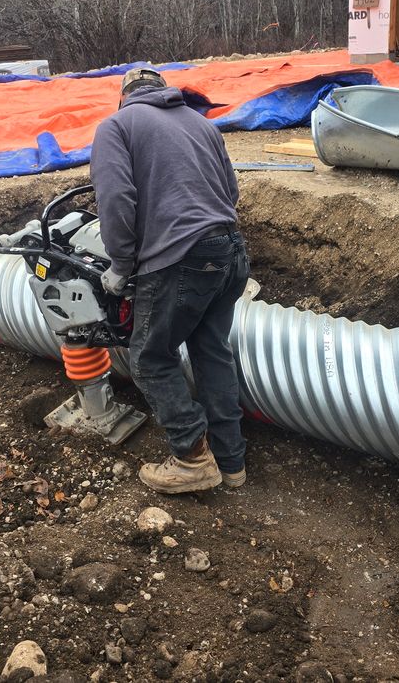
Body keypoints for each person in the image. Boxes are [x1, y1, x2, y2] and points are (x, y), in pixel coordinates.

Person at [90, 66, 249, 494]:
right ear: (165, 92)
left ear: (124, 97)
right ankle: (232, 462)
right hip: (230, 251)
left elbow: (115, 199)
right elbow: (230, 192)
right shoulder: (201, 124)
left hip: (181, 259)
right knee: (211, 351)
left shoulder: (116, 126)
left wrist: (121, 265)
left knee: (149, 357)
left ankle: (192, 458)